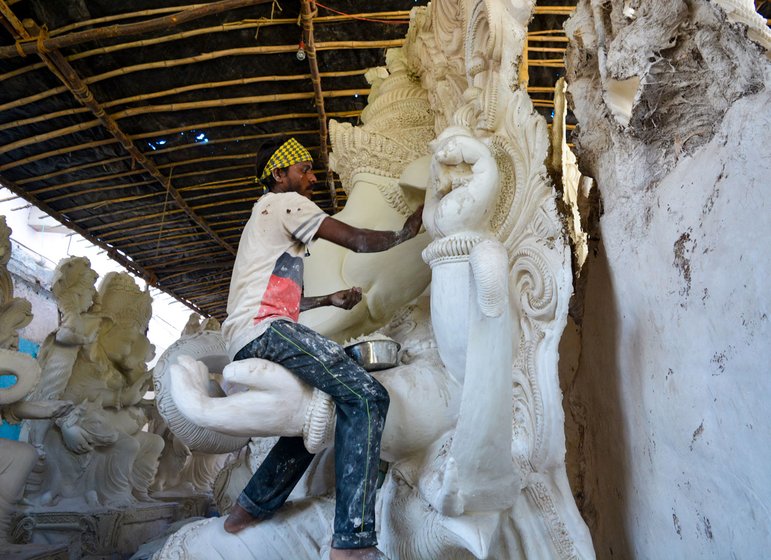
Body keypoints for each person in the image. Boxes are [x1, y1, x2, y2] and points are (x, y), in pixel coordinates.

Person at [220, 137, 423, 560]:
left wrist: (328, 301)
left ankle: (248, 507)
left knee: (323, 406)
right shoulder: (283, 204)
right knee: (367, 397)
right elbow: (355, 239)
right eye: (303, 168)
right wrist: (406, 231)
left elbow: (278, 298)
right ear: (279, 175)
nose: (312, 177)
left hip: (255, 330)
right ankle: (352, 542)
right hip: (265, 331)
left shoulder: (263, 219)